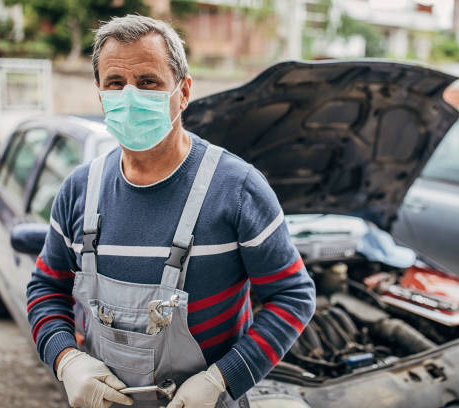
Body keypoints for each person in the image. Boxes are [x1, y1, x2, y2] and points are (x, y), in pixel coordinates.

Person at [26, 14, 316, 408]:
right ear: (100, 96)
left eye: (148, 82)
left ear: (183, 92)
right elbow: (46, 287)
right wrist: (66, 359)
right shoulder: (79, 190)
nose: (129, 96)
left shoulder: (238, 189)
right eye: (115, 83)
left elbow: (293, 296)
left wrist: (221, 379)